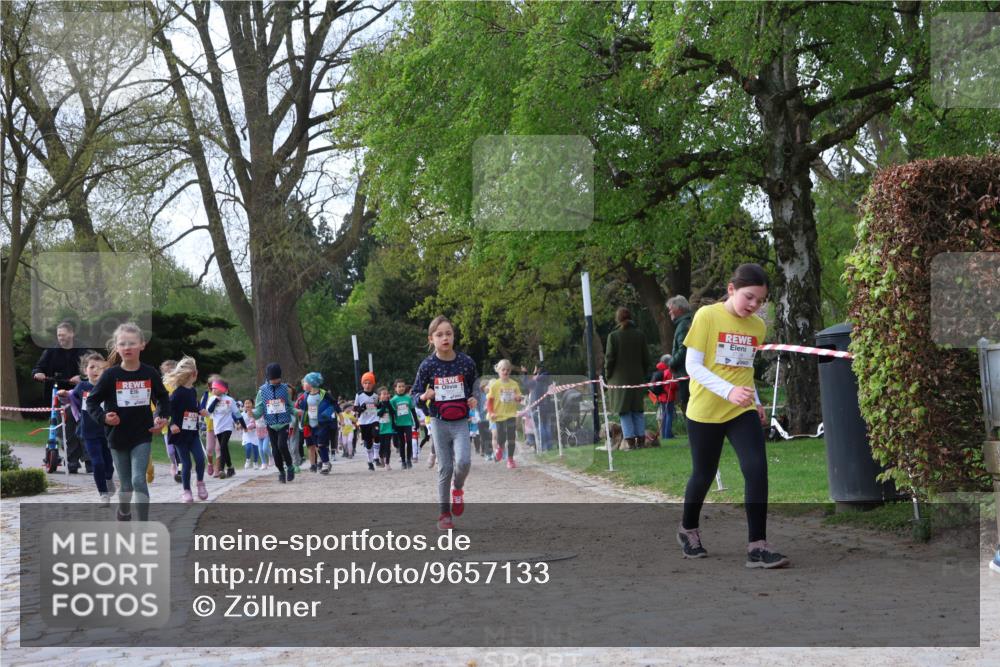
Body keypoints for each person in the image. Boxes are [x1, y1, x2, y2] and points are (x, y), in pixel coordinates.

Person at [677, 263, 789, 569]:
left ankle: (758, 546)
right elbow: (693, 367)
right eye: (749, 297)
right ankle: (688, 530)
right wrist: (728, 391)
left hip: (741, 410)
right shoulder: (707, 316)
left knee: (756, 469)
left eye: (760, 301)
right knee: (703, 474)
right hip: (705, 411)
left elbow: (743, 367)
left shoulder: (757, 327)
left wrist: (753, 399)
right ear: (731, 289)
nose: (754, 305)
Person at [85, 322, 169, 521]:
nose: (127, 347)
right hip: (118, 436)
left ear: (142, 345)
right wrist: (104, 417)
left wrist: (160, 416)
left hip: (142, 434)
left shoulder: (149, 373)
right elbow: (92, 401)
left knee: (139, 480)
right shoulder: (110, 375)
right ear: (117, 347)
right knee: (126, 485)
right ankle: (123, 510)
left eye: (132, 343)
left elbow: (163, 398)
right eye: (123, 343)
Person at [411, 315, 478, 530]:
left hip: (460, 421)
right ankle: (444, 514)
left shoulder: (466, 362)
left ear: (453, 336)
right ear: (431, 339)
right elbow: (415, 394)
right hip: (439, 421)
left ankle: (457, 489)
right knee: (445, 468)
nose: (445, 338)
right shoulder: (428, 365)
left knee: (464, 462)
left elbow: (475, 388)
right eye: (439, 335)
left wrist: (474, 398)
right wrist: (424, 396)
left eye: (448, 333)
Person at [32, 320, 91, 472]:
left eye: (63, 335)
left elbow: (95, 369)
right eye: (59, 335)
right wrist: (38, 373)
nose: (61, 338)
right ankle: (72, 460)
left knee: (83, 427)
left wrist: (82, 377)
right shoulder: (51, 351)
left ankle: (89, 459)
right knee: (62, 429)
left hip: (80, 394)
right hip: (57, 394)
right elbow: (38, 368)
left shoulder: (83, 350)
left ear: (72, 334)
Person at [64, 353, 115, 505]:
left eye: (99, 368)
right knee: (97, 462)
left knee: (108, 463)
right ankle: (103, 494)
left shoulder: (108, 386)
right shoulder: (82, 387)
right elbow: (70, 398)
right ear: (85, 370)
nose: (95, 370)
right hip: (88, 432)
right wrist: (63, 395)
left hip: (107, 432)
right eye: (91, 367)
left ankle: (109, 478)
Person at [605, 307, 651, 450]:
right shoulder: (640, 335)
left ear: (617, 319)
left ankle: (630, 443)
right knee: (638, 410)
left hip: (619, 380)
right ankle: (642, 442)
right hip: (637, 378)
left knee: (624, 411)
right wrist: (642, 374)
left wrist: (608, 375)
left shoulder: (613, 336)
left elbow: (609, 359)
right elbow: (646, 359)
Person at [164, 357, 208, 503]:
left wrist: (200, 410)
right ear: (193, 374)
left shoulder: (192, 391)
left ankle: (200, 483)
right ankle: (186, 491)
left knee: (201, 459)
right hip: (179, 434)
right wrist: (171, 425)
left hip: (192, 432)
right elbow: (168, 410)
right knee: (186, 463)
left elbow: (192, 406)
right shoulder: (177, 393)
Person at [253, 363, 295, 483]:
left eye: (278, 379)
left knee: (282, 445)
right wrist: (253, 414)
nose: (276, 381)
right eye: (273, 379)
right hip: (270, 424)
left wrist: (296, 412)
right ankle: (281, 471)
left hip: (283, 422)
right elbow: (259, 409)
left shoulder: (285, 389)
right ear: (268, 378)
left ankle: (290, 466)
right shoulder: (262, 391)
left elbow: (290, 405)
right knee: (275, 450)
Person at [203, 378, 244, 479]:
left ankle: (221, 470)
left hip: (228, 427)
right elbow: (209, 411)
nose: (212, 390)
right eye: (212, 388)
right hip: (217, 427)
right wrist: (216, 400)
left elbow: (237, 414)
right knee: (224, 448)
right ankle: (230, 467)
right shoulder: (212, 399)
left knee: (222, 446)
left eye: (214, 388)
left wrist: (244, 425)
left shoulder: (229, 400)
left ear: (222, 389)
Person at [298, 372, 338, 474]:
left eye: (305, 382)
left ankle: (325, 463)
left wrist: (340, 416)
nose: (303, 384)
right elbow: (302, 409)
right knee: (317, 445)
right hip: (312, 424)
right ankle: (326, 462)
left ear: (311, 383)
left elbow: (334, 403)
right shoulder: (305, 396)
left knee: (321, 444)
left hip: (323, 423)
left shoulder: (323, 393)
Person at [486, 359, 524, 468]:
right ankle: (500, 448)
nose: (505, 372)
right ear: (498, 370)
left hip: (511, 414)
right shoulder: (495, 385)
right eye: (503, 370)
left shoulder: (514, 384)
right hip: (499, 415)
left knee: (511, 437)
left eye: (508, 370)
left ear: (510, 371)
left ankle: (510, 460)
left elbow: (519, 398)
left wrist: (518, 398)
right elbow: (489, 401)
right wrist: (491, 412)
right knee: (501, 436)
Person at [668, 295, 694, 413]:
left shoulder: (683, 325)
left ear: (679, 309)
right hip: (687, 372)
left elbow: (684, 349)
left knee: (687, 406)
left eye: (670, 309)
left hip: (685, 373)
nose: (669, 312)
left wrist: (671, 362)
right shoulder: (686, 323)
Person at [390, 379, 418, 469]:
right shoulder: (393, 400)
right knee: (401, 443)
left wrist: (416, 421)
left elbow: (413, 410)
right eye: (399, 386)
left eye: (403, 386)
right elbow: (392, 414)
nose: (401, 388)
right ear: (395, 388)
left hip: (408, 422)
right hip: (398, 424)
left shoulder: (408, 398)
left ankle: (409, 459)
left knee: (409, 441)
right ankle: (403, 461)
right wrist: (393, 424)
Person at [649, 354, 678, 440]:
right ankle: (668, 435)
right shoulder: (668, 371)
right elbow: (672, 385)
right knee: (669, 415)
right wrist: (677, 386)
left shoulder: (659, 370)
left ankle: (665, 434)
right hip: (668, 397)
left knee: (665, 415)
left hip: (661, 397)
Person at [355, 372, 380, 471]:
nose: (367, 385)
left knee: (377, 434)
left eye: (369, 383)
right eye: (365, 383)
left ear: (373, 384)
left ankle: (376, 457)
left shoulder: (375, 395)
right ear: (362, 384)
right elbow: (355, 408)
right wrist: (362, 407)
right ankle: (370, 462)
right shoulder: (359, 395)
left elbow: (378, 406)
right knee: (368, 442)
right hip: (364, 421)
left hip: (374, 419)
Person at [375, 386, 396, 470]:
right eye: (384, 394)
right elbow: (379, 414)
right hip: (380, 429)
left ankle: (387, 463)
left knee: (388, 446)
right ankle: (381, 457)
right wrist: (384, 405)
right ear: (379, 396)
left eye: (387, 394)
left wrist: (388, 405)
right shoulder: (377, 405)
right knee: (382, 447)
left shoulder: (389, 404)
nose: (386, 395)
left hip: (388, 429)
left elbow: (393, 412)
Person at [241, 399, 261, 470]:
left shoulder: (256, 412)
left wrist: (253, 426)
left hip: (255, 433)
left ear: (252, 404)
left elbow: (258, 422)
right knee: (248, 447)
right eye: (245, 403)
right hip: (246, 434)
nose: (247, 405)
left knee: (255, 449)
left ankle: (255, 462)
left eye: (249, 403)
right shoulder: (242, 414)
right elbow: (240, 424)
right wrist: (241, 427)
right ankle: (248, 460)